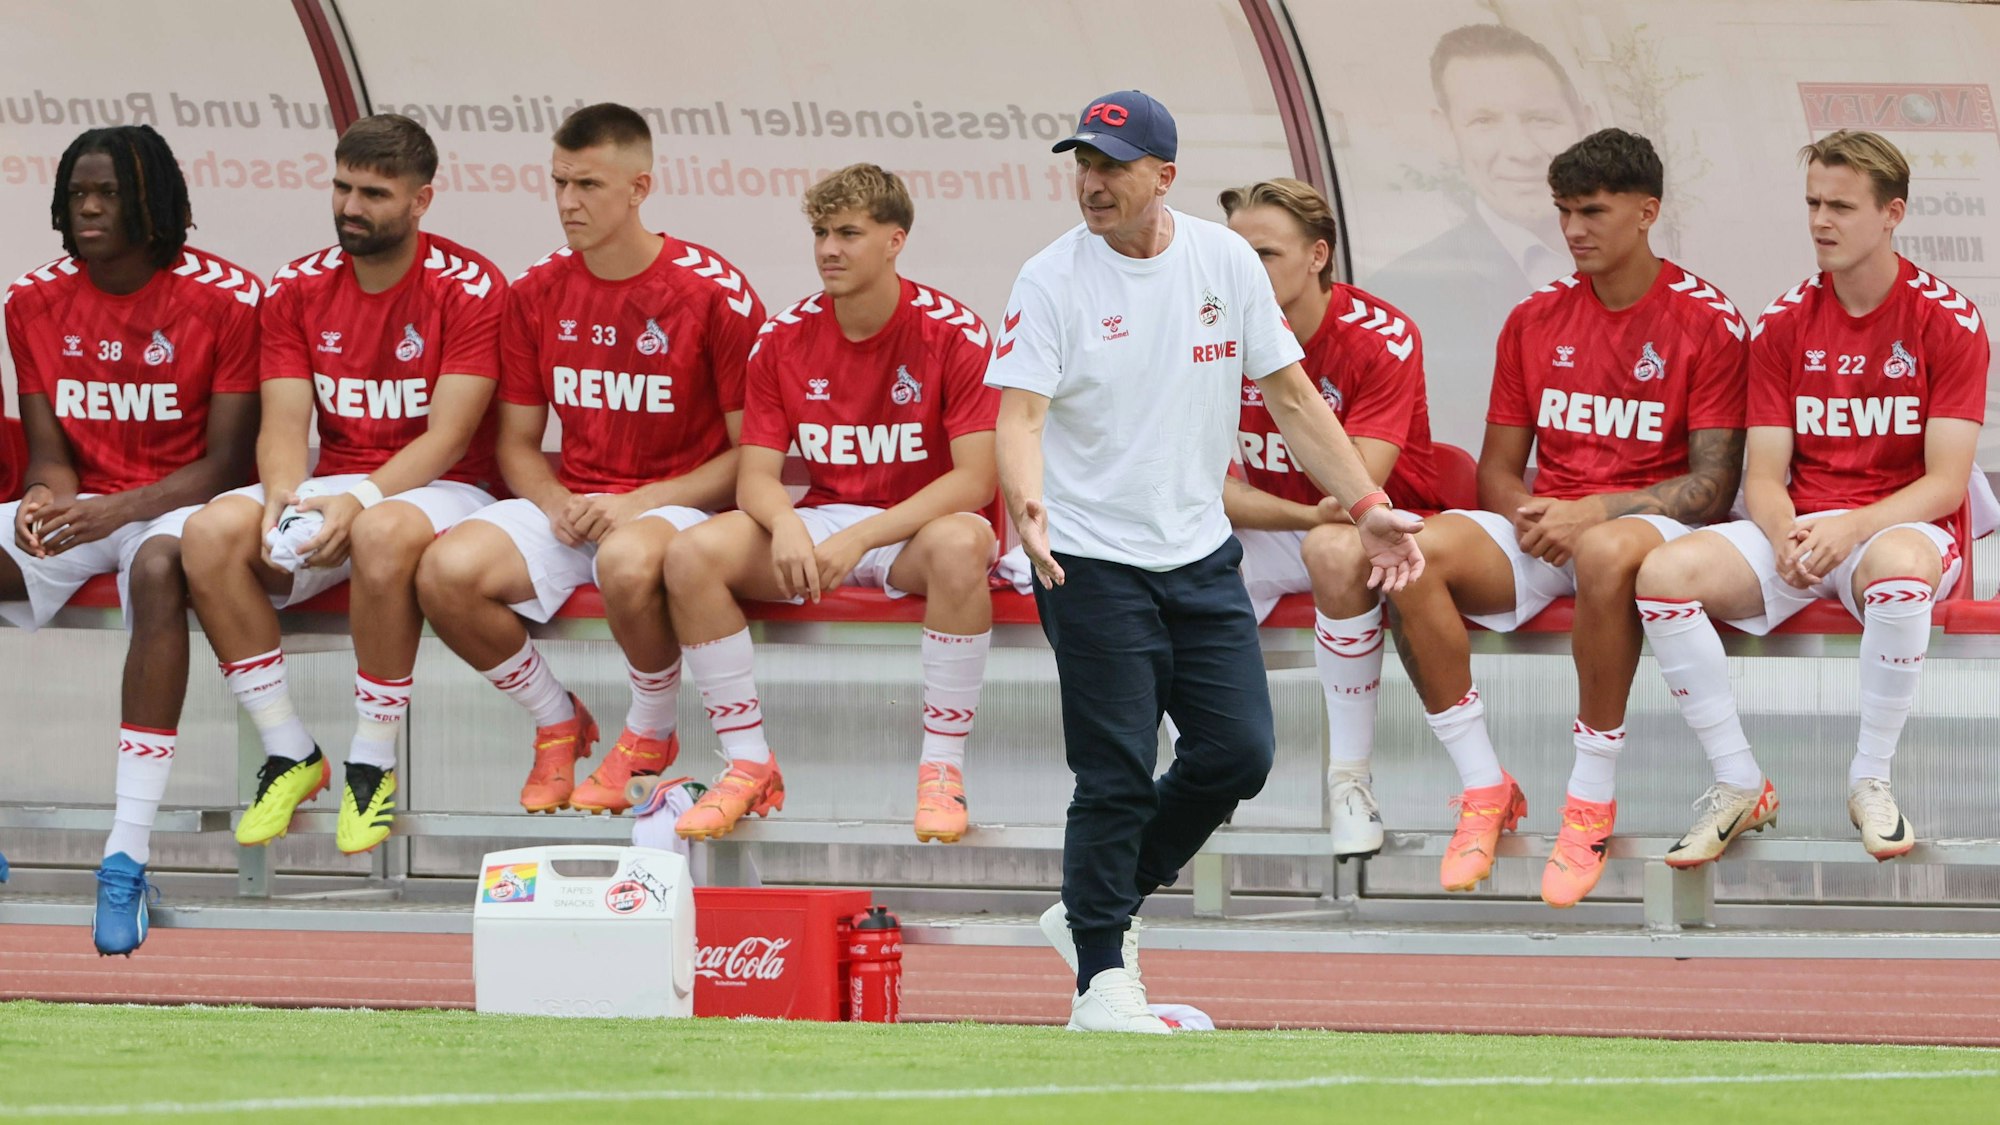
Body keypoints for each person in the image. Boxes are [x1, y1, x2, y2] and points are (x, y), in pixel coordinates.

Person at [988, 90, 1423, 1033]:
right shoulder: (1050, 277)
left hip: (1198, 557)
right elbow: (1017, 415)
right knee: (1113, 769)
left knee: (1240, 754)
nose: (1093, 183)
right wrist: (1027, 503)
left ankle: (1089, 909)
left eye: (1113, 165)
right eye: (1083, 164)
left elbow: (1298, 399)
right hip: (1089, 559)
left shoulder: (1224, 258)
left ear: (1164, 177)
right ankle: (1101, 981)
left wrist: (1370, 507)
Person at [1382, 128, 1747, 908]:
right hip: (1553, 528)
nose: (1573, 230)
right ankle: (1485, 786)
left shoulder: (1708, 320)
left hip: (1648, 530)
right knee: (1413, 549)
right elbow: (1496, 471)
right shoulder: (1534, 318)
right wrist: (1531, 514)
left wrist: (1591, 513)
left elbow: (1715, 485)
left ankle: (1589, 799)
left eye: (1592, 211)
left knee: (1609, 550)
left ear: (1647, 211)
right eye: (1562, 212)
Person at [1635, 130, 1986, 864]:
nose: (1821, 221)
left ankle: (1870, 778)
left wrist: (1848, 526)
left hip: (1899, 523)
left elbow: (1946, 483)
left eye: (1841, 206)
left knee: (1893, 567)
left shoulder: (1949, 319)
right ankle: (1738, 782)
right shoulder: (1785, 320)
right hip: (1803, 525)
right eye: (1813, 204)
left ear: (1892, 214)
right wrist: (1788, 531)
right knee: (1662, 574)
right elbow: (1764, 473)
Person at [416, 103, 762, 814]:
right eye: (559, 183)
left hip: (677, 508)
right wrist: (553, 503)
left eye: (589, 186)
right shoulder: (536, 289)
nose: (569, 202)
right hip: (577, 504)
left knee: (628, 557)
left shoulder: (710, 291)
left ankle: (649, 730)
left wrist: (636, 503)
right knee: (444, 571)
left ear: (640, 188)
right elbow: (515, 442)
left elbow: (750, 454)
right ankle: (555, 718)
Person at [180, 114, 505, 856]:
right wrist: (282, 499)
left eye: (374, 193)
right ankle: (289, 749)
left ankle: (370, 759)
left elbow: (449, 437)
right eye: (341, 186)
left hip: (444, 486)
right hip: (336, 480)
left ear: (421, 201)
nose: (351, 207)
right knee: (207, 534)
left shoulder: (471, 283)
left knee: (380, 528)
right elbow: (285, 422)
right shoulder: (297, 284)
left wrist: (357, 498)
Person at [663, 164, 999, 844]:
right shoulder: (784, 336)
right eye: (821, 232)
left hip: (919, 528)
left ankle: (941, 769)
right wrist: (784, 522)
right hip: (825, 516)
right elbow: (757, 472)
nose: (829, 249)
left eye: (849, 232)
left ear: (895, 241)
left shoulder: (954, 331)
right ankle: (747, 761)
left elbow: (975, 482)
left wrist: (864, 538)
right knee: (691, 552)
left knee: (966, 540)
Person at [0, 125, 260, 953]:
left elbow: (226, 464)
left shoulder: (228, 297)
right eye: (78, 192)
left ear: (153, 200)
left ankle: (126, 853)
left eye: (108, 192)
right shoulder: (31, 299)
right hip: (94, 507)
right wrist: (45, 499)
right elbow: (50, 455)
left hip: (187, 507)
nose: (89, 207)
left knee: (156, 567)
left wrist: (116, 511)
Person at [1218, 177, 1445, 859]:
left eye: (1264, 254)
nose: (1244, 271)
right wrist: (1292, 509)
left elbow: (1362, 485)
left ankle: (1351, 784)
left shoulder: (1382, 334)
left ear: (1318, 256)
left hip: (1389, 533)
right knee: (1171, 552)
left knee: (1331, 547)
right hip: (1284, 520)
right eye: (1234, 254)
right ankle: (1203, 775)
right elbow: (1189, 484)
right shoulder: (1205, 329)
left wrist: (1313, 512)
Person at [1367, 24, 1593, 412]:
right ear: (1446, 133)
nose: (1521, 150)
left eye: (1541, 119)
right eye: (1484, 122)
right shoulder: (1402, 303)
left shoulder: (1661, 279)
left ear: (1585, 125)